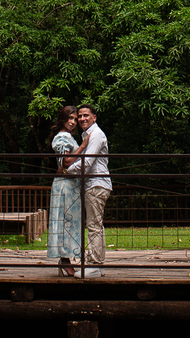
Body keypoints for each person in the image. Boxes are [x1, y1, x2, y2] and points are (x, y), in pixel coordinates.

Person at [69, 103, 111, 278]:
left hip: (96, 184)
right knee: (95, 224)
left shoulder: (96, 135)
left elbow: (87, 162)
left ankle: (94, 265)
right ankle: (97, 265)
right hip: (93, 184)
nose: (82, 119)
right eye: (80, 116)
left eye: (86, 115)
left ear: (94, 117)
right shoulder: (87, 135)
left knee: (94, 226)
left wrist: (67, 170)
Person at [47, 105, 88, 276]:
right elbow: (66, 162)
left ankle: (67, 259)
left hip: (71, 184)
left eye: (75, 119)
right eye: (70, 118)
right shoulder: (62, 137)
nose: (73, 122)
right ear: (62, 119)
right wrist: (83, 146)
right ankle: (64, 260)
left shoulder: (69, 137)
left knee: (69, 222)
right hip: (65, 185)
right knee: (65, 221)